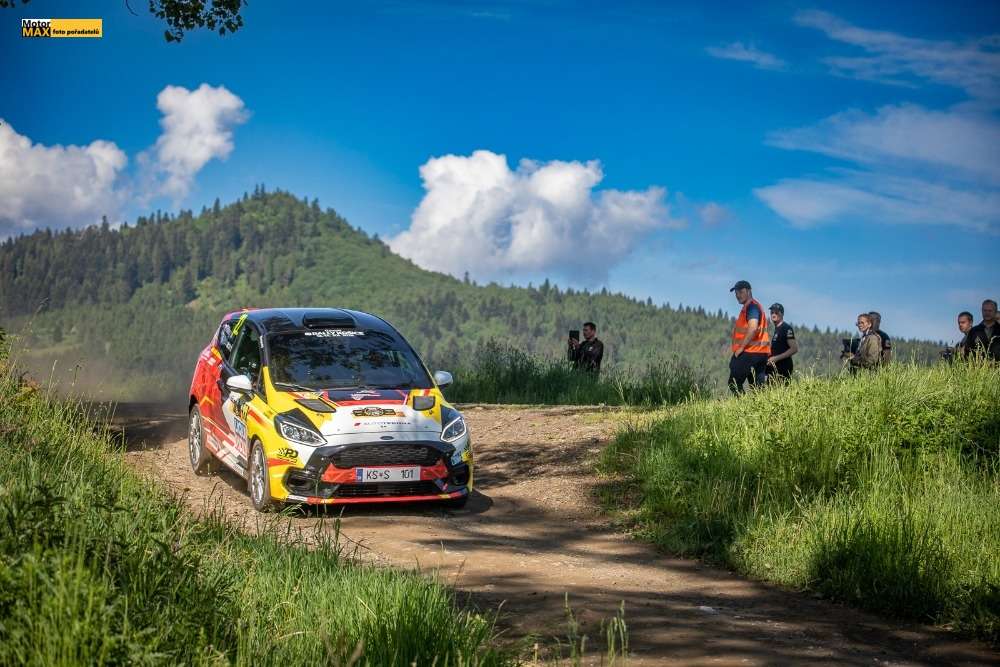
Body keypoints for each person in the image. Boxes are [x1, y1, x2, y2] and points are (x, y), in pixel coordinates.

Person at [728, 280, 770, 394]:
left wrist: (741, 348)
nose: (738, 295)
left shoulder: (752, 307)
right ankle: (759, 404)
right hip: (761, 352)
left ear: (749, 291)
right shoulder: (753, 306)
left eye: (741, 292)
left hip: (750, 351)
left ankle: (742, 404)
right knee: (758, 388)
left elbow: (753, 328)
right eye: (736, 293)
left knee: (733, 383)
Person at [766, 303, 798, 382]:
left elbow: (794, 349)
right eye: (772, 312)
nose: (773, 314)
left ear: (782, 314)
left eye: (776, 312)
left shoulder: (786, 328)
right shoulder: (777, 329)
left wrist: (776, 358)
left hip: (783, 368)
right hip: (774, 368)